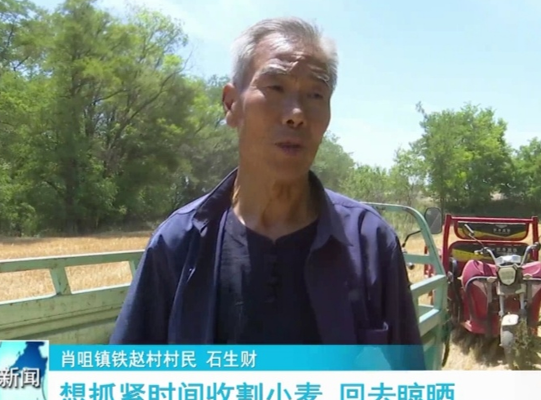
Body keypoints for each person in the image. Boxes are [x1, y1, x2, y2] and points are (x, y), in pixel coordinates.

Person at [110, 17, 423, 359]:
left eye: (315, 94)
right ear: (232, 104)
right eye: (275, 87)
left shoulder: (370, 243)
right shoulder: (178, 244)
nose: (296, 114)